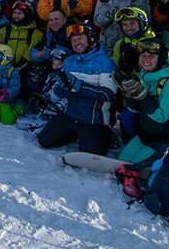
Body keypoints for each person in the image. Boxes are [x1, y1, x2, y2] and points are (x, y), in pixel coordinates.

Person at [36, 24, 116, 155]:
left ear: (90, 39)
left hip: (92, 119)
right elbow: (57, 94)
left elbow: (108, 94)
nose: (76, 43)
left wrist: (79, 86)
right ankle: (77, 134)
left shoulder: (105, 62)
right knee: (44, 141)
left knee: (90, 153)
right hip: (70, 115)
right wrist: (61, 88)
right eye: (73, 40)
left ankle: (105, 134)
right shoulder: (69, 61)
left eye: (80, 39)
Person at [116, 38, 169, 167]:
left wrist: (143, 96)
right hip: (146, 134)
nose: (145, 60)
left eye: (151, 56)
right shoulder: (146, 76)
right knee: (122, 162)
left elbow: (161, 117)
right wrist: (129, 95)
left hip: (164, 139)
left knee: (133, 167)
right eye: (143, 55)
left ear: (161, 59)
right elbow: (136, 109)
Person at [110, 8, 156, 81]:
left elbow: (161, 70)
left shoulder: (155, 44)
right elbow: (113, 66)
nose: (129, 28)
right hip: (127, 85)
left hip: (149, 85)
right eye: (125, 24)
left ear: (142, 24)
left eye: (132, 23)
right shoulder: (120, 44)